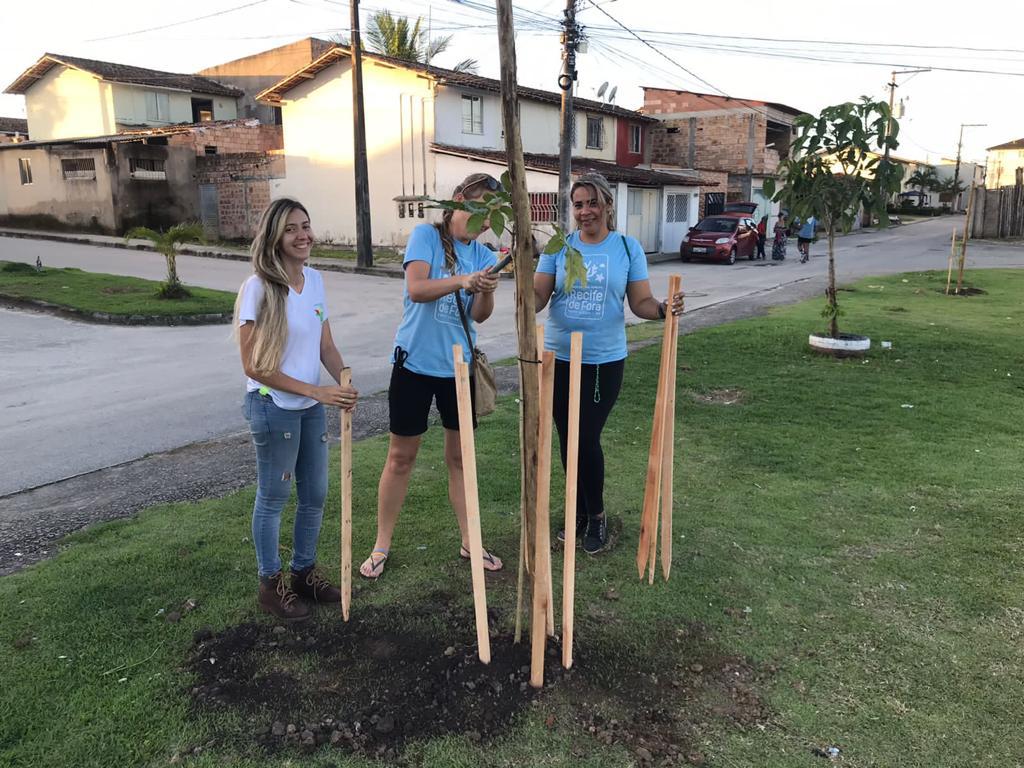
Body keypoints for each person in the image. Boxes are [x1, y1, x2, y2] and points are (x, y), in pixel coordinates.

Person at [360, 173, 504, 578]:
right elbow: (417, 288)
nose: (486, 221)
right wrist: (462, 279)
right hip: (414, 364)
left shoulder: (483, 254)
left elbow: (478, 315)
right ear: (460, 200)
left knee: (460, 459)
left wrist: (487, 288)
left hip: (457, 370)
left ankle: (469, 541)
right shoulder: (426, 236)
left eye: (494, 215)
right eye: (482, 210)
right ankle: (381, 544)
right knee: (401, 457)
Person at [534, 173, 685, 555]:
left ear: (607, 205)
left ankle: (597, 516)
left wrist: (664, 310)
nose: (585, 212)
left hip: (603, 360)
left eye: (592, 203)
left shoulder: (626, 247)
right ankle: (579, 511)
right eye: (579, 204)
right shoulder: (559, 246)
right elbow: (536, 299)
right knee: (568, 439)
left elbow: (641, 304)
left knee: (585, 437)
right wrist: (520, 272)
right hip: (558, 356)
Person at [235, 198, 359, 622]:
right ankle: (271, 585)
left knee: (316, 493)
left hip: (310, 406)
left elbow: (324, 344)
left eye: (306, 225)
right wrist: (317, 392)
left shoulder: (316, 280)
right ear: (274, 236)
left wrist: (341, 379)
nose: (303, 235)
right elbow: (254, 365)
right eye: (291, 229)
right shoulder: (258, 288)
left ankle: (304, 571)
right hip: (274, 407)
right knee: (274, 496)